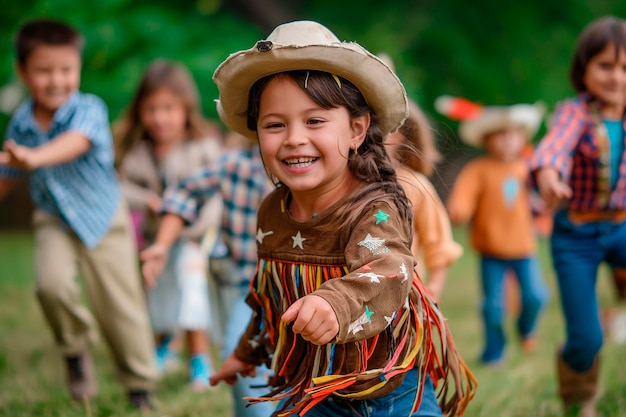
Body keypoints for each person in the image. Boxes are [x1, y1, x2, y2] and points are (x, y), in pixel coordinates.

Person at [201, 20, 477, 417]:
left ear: (357, 129)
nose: (294, 137)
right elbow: (270, 294)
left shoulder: (373, 207)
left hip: (392, 390)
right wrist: (247, 353)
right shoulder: (272, 211)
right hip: (314, 392)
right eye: (275, 124)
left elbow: (388, 271)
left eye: (314, 121)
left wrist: (334, 304)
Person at [0, 19, 157, 409]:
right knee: (50, 285)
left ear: (78, 70)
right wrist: (17, 163)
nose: (56, 80)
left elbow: (75, 143)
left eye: (66, 70)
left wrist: (33, 157)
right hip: (54, 218)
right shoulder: (20, 122)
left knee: (120, 305)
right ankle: (74, 351)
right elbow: (8, 172)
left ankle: (140, 387)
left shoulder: (89, 109)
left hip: (105, 218)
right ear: (22, 72)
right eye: (43, 70)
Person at [139, 132, 277, 416]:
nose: (293, 137)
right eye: (275, 124)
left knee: (297, 369)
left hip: (312, 288)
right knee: (241, 355)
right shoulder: (235, 166)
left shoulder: (329, 169)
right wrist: (163, 245)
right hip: (247, 285)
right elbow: (183, 193)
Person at [529, 16, 626, 417]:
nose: (617, 77)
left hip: (622, 228)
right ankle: (578, 398)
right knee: (586, 338)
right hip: (577, 236)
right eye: (606, 65)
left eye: (625, 67)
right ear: (583, 68)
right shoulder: (575, 113)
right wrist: (550, 176)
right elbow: (554, 147)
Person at [114, 59, 223, 390]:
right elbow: (118, 186)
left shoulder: (202, 146)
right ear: (140, 110)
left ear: (186, 108)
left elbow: (215, 193)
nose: (159, 118)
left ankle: (199, 357)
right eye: (151, 109)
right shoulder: (137, 151)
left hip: (194, 237)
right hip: (152, 238)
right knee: (157, 290)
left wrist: (189, 225)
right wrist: (147, 200)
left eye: (168, 108)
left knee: (190, 287)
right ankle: (164, 344)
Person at [443, 97, 549, 366]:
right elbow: (464, 196)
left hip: (524, 248)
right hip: (491, 250)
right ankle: (494, 351)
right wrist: (458, 209)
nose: (507, 141)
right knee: (493, 307)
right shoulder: (479, 169)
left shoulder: (527, 168)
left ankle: (526, 329)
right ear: (486, 140)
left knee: (536, 295)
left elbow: (541, 195)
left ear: (522, 138)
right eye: (500, 136)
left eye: (513, 136)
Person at [385, 98, 463, 302]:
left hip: (403, 297)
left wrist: (433, 291)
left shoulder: (415, 186)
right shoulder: (347, 181)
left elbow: (438, 243)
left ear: (401, 134)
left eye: (384, 128)